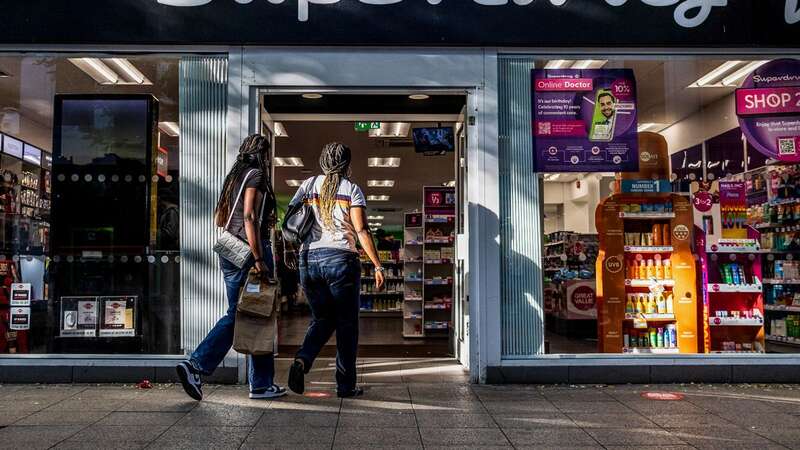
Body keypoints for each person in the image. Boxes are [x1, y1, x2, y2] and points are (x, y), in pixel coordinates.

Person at [176, 134, 286, 401]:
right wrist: (259, 258)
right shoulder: (256, 175)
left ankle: (259, 383)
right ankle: (197, 365)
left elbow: (219, 218)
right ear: (262, 154)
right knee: (250, 314)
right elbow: (249, 215)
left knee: (247, 313)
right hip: (249, 252)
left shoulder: (234, 176)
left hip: (229, 251)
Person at [284, 142, 384, 398]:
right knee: (346, 325)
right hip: (341, 260)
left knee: (322, 319)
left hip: (309, 259)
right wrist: (377, 264)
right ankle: (345, 385)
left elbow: (290, 219)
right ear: (347, 165)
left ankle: (302, 360)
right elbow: (361, 230)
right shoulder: (351, 189)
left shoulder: (307, 185)